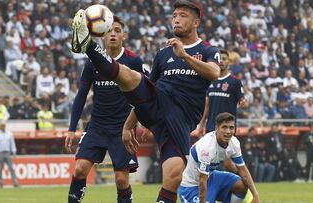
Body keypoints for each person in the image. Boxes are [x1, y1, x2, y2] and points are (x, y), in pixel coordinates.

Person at [70, 1, 220, 202]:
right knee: (131, 77)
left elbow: (214, 73)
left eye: (183, 15)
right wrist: (128, 125)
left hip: (179, 118)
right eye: (175, 15)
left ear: (196, 22)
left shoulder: (207, 50)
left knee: (174, 176)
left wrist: (184, 56)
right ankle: (87, 45)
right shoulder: (163, 53)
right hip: (157, 102)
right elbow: (148, 87)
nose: (176, 18)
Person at [65, 16, 143, 203]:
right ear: (102, 34)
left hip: (122, 129)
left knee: (121, 180)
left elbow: (143, 96)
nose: (113, 34)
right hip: (97, 126)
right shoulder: (93, 62)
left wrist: (144, 123)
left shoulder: (133, 61)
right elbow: (81, 95)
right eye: (109, 31)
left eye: (117, 30)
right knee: (79, 169)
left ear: (123, 35)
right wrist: (71, 128)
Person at [178, 112, 259, 203]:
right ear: (216, 128)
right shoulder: (207, 147)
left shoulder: (234, 143)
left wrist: (255, 195)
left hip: (211, 177)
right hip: (191, 186)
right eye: (224, 127)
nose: (228, 132)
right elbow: (202, 180)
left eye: (231, 128)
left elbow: (243, 170)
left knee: (242, 185)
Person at [194, 49, 247, 137]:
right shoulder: (209, 80)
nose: (221, 61)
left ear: (229, 62)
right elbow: (207, 105)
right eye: (219, 59)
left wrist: (243, 103)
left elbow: (242, 101)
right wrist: (202, 124)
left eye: (224, 59)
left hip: (228, 129)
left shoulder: (235, 82)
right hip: (211, 128)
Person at [0, 122, 18, 188]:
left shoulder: (9, 134)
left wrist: (14, 152)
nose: (2, 127)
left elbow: (12, 143)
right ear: (0, 126)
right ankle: (1, 182)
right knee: (0, 168)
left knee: (11, 168)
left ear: (5, 126)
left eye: (3, 126)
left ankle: (15, 182)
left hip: (7, 152)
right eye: (1, 126)